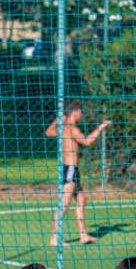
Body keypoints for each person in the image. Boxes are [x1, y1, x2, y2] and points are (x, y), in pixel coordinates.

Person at [44, 101, 111, 246]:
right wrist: (100, 128)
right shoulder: (72, 129)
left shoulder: (62, 127)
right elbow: (87, 141)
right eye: (81, 112)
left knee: (81, 199)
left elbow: (48, 132)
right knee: (65, 203)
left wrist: (58, 119)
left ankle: (83, 235)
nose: (82, 115)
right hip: (69, 169)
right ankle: (55, 238)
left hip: (72, 169)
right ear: (75, 112)